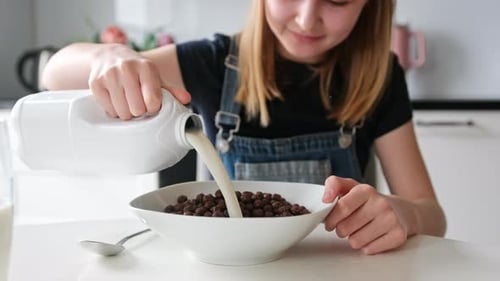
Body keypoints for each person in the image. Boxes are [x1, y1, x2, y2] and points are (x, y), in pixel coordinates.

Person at [42, 0, 446, 255]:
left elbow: (432, 215)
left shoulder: (380, 77)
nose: (308, 16)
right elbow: (56, 75)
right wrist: (110, 56)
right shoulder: (212, 62)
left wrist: (401, 215)